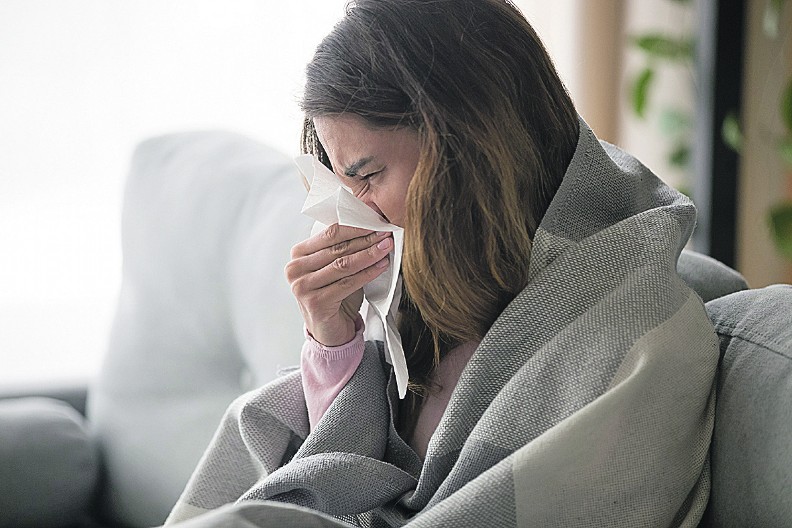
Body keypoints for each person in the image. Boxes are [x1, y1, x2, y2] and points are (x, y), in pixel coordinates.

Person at [165, 1, 719, 526]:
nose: (353, 212)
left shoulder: (629, 326)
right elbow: (350, 483)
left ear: (468, 146)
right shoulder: (419, 304)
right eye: (339, 182)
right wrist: (334, 344)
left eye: (367, 174)